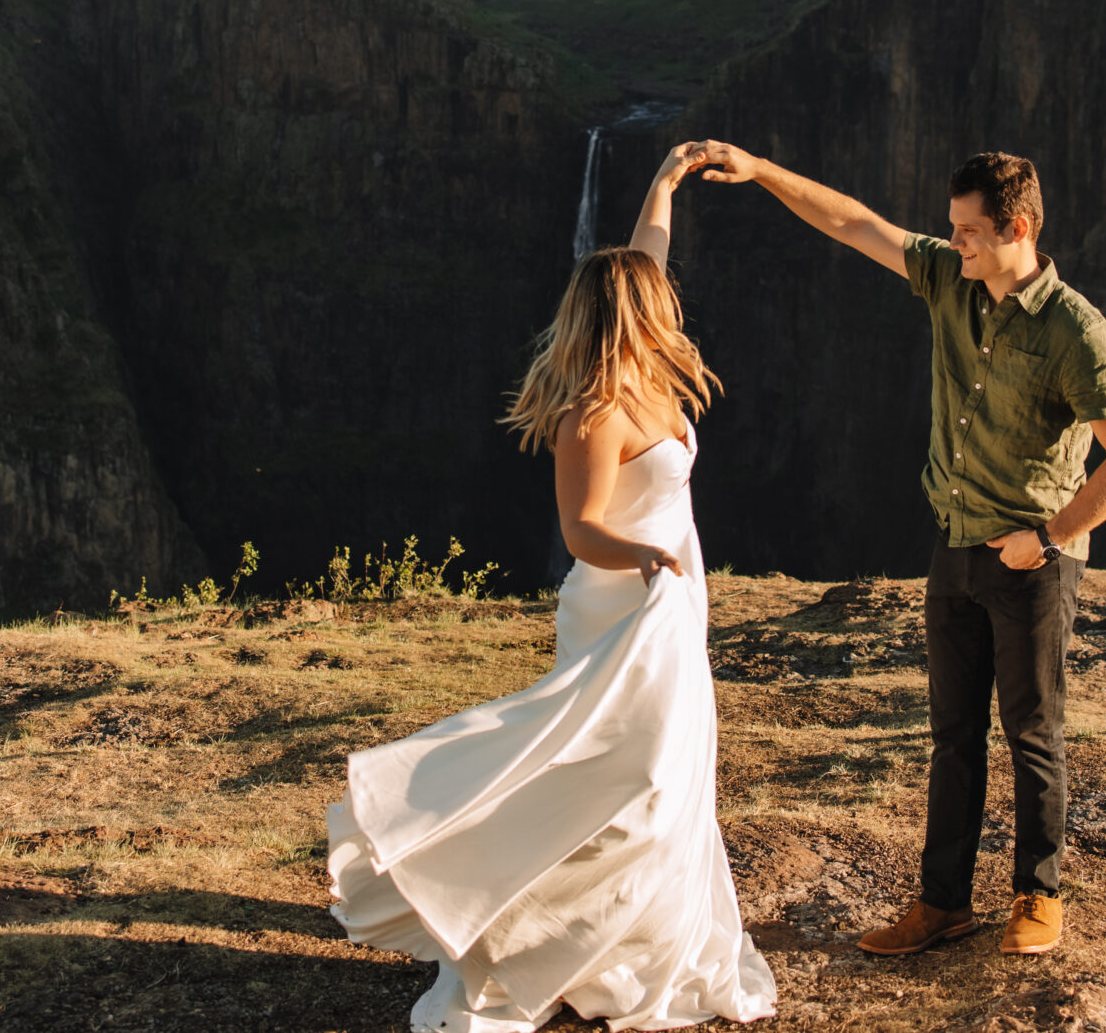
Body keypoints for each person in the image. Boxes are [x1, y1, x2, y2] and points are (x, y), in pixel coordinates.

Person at [326, 144, 778, 1033]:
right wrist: (646, 558)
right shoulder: (593, 414)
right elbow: (580, 529)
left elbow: (644, 247)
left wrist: (664, 181)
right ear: (635, 316)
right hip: (626, 607)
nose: (672, 299)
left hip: (672, 608)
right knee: (623, 781)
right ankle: (551, 935)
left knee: (672, 781)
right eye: (659, 297)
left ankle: (637, 935)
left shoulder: (647, 375)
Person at [688, 143, 1106, 960]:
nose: (956, 243)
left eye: (970, 232)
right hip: (955, 546)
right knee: (952, 735)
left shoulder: (1077, 331)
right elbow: (854, 223)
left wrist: (1046, 537)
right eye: (953, 230)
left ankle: (1038, 897)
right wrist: (761, 170)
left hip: (1035, 560)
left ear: (1017, 228)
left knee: (1033, 731)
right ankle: (942, 905)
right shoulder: (949, 281)